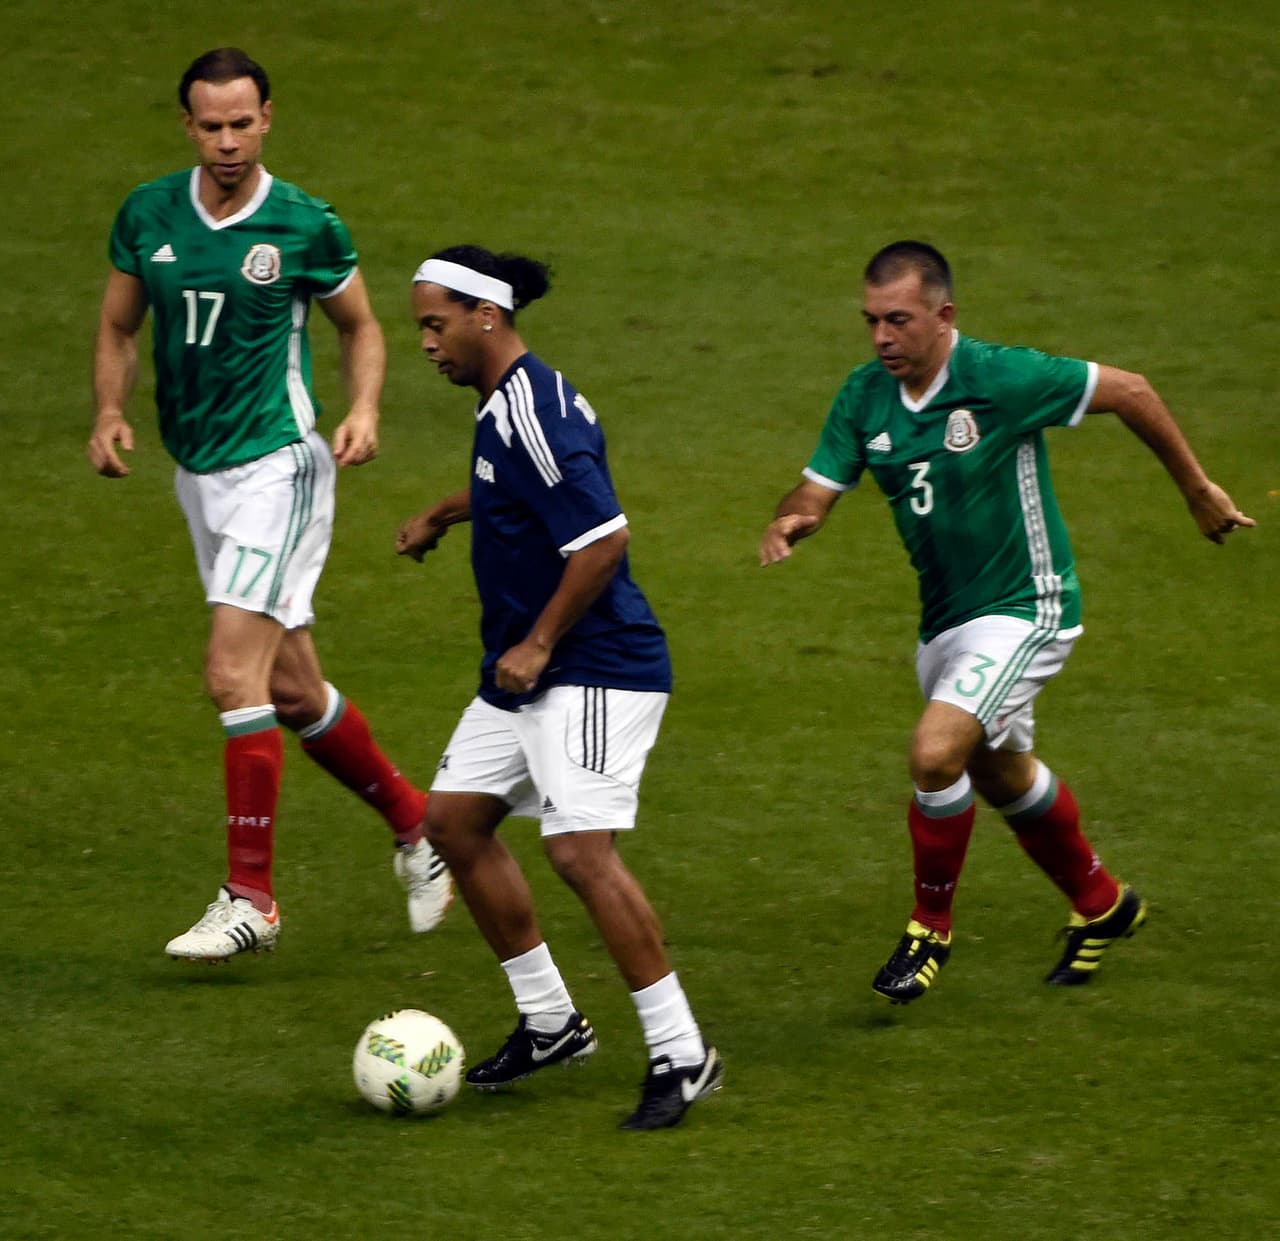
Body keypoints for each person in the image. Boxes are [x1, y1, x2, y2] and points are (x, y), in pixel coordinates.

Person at [760, 240, 1254, 1004]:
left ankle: (929, 929)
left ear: (943, 316)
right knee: (993, 769)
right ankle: (1104, 903)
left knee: (934, 755)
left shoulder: (998, 377)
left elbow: (1131, 389)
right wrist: (792, 519)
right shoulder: (864, 396)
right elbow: (817, 487)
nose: (882, 337)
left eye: (898, 320)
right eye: (871, 322)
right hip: (947, 621)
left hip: (1028, 606)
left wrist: (1196, 489)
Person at [87, 48, 451, 962]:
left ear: (267, 119)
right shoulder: (149, 214)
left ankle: (251, 896)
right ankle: (421, 830)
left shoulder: (302, 225)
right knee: (290, 690)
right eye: (210, 125)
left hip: (278, 468)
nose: (226, 141)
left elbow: (362, 323)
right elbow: (120, 325)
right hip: (198, 474)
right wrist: (108, 411)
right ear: (188, 127)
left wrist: (363, 407)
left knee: (229, 675)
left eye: (241, 123)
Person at [395, 245, 721, 1129]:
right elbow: (516, 485)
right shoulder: (503, 404)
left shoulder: (533, 406)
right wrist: (443, 510)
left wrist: (540, 641)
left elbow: (603, 536)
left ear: (485, 316)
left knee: (581, 853)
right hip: (526, 668)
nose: (425, 342)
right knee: (455, 822)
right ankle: (550, 1021)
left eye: (435, 322)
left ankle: (682, 1052)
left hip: (593, 665)